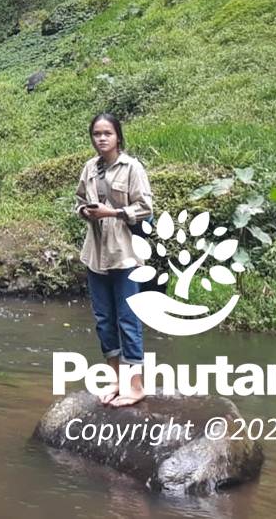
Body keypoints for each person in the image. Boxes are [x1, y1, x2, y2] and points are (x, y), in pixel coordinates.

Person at [75, 111, 154, 408]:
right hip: (95, 254)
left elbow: (145, 207)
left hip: (126, 255)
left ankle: (135, 386)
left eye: (107, 133)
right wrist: (85, 212)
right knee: (104, 320)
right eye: (97, 134)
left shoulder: (133, 168)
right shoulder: (89, 169)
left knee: (128, 319)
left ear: (118, 136)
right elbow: (80, 201)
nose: (102, 138)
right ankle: (115, 379)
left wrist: (111, 213)